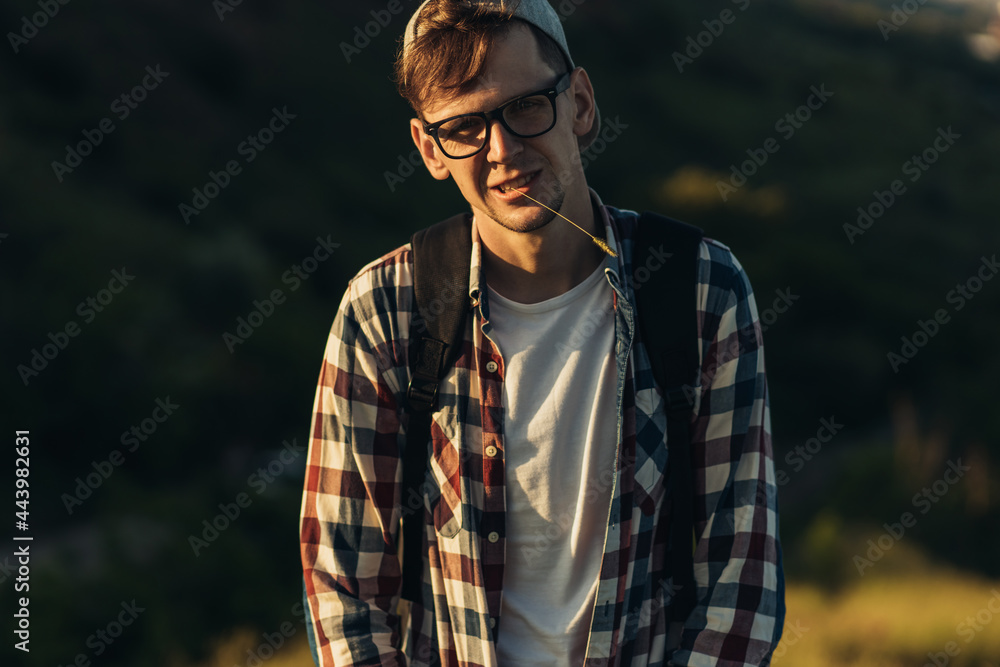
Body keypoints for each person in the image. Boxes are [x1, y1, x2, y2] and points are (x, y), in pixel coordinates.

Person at [299, 1, 784, 665]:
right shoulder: (385, 311)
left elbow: (741, 582)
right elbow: (346, 592)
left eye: (525, 107)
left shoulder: (700, 290)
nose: (501, 150)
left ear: (580, 103)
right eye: (464, 126)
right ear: (429, 148)